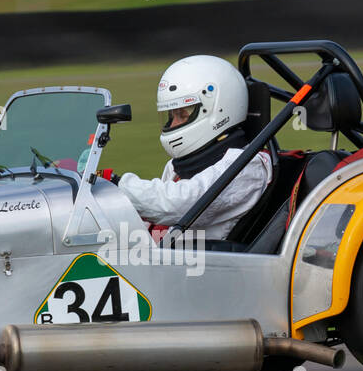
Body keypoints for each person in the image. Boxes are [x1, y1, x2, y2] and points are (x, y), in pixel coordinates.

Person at [112, 55, 271, 239]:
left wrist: (118, 185)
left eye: (182, 114)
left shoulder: (247, 167)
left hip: (206, 263)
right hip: (165, 257)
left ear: (217, 109)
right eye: (171, 115)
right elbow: (153, 212)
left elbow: (178, 205)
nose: (172, 125)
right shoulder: (182, 165)